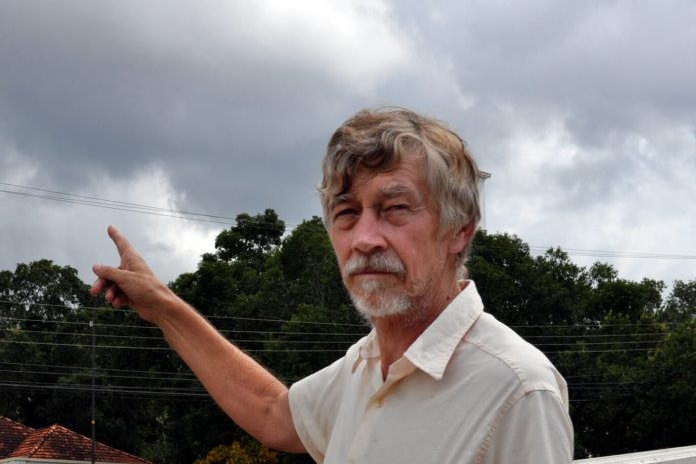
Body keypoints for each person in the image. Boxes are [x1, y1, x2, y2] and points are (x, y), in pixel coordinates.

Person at [91, 108, 574, 463]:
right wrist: (164, 307)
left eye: (395, 208)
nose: (363, 238)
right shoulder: (366, 365)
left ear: (460, 230)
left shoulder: (519, 389)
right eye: (346, 212)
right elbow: (272, 413)